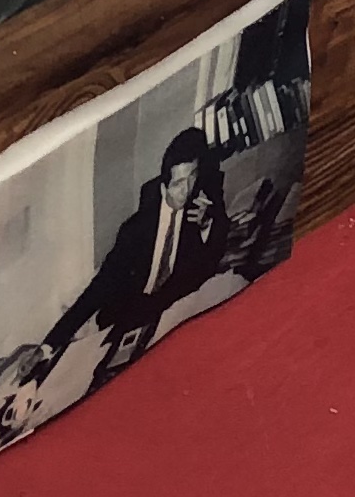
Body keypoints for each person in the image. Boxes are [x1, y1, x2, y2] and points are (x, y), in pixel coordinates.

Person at [23, 127, 243, 392]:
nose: (185, 192)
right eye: (177, 184)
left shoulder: (201, 204)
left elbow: (210, 259)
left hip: (171, 310)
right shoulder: (135, 230)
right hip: (126, 313)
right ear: (163, 186)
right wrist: (49, 345)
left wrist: (208, 224)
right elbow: (97, 290)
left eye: (191, 178)